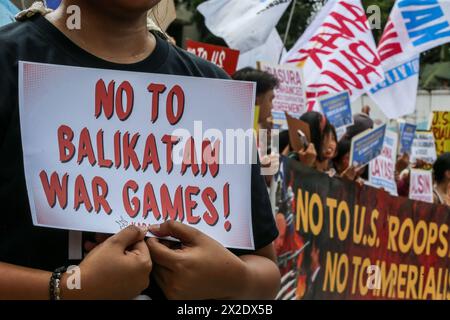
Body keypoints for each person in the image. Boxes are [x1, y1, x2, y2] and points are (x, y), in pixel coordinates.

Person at [0, 0, 280, 299]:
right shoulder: (9, 64)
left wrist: (235, 280)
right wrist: (67, 289)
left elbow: (266, 270)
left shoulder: (213, 89)